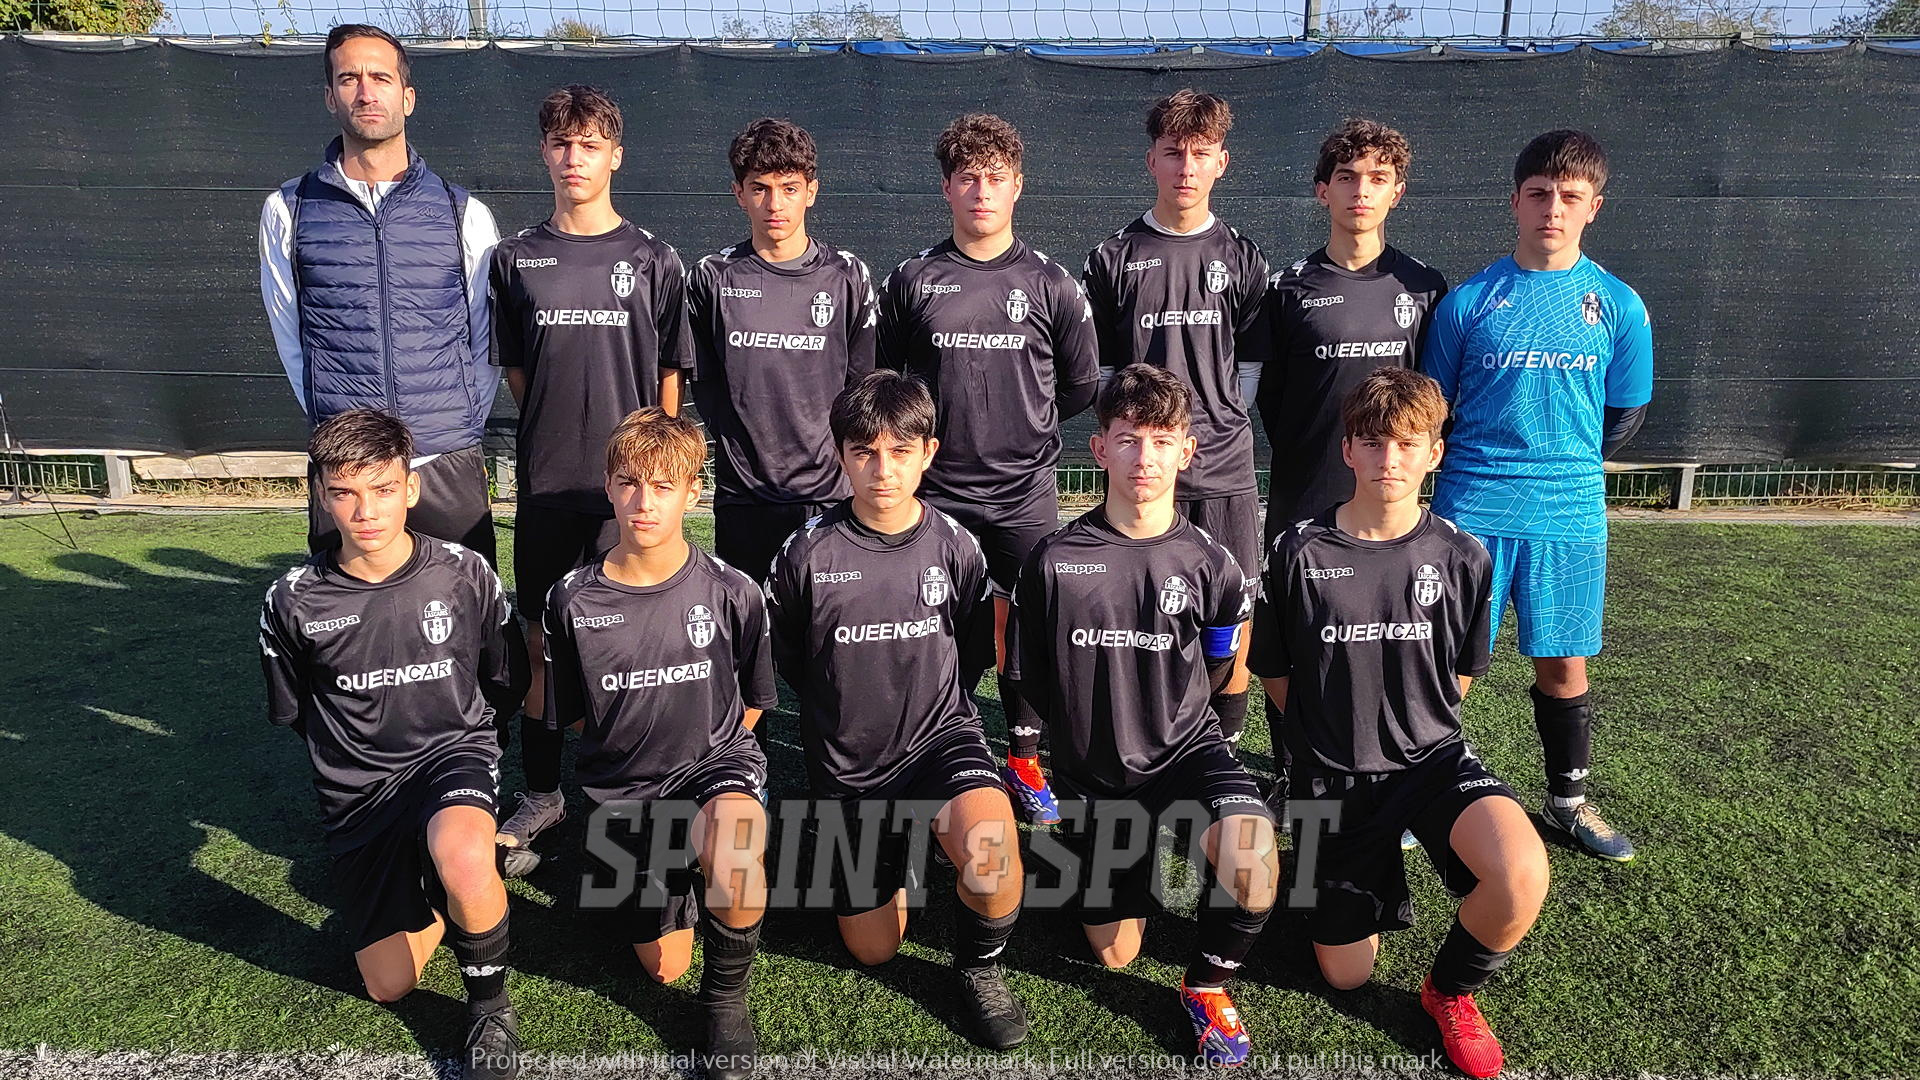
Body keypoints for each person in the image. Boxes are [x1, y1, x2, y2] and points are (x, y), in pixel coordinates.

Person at [1251, 368, 1550, 1079]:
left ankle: (1449, 993)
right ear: (1347, 450)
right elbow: (1277, 674)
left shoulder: (1463, 556)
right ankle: (1332, 863)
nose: (1390, 459)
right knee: (1345, 974)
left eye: (1408, 443)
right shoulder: (1296, 551)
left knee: (1520, 875)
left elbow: (1460, 675)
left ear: (1434, 453)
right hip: (1331, 779)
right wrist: (1335, 739)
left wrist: (1407, 729)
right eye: (1373, 441)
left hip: (1432, 765)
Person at [1007, 365, 1278, 1066]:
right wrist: (1034, 755)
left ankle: (1206, 986)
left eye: (1161, 441)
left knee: (1253, 861)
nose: (1144, 458)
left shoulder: (1211, 563)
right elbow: (1026, 672)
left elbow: (1223, 662)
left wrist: (1213, 737)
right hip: (1095, 773)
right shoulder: (1054, 559)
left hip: (1186, 754)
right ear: (1099, 449)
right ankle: (1089, 854)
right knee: (1114, 953)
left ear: (1188, 450)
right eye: (1128, 439)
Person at [258, 408, 528, 1080]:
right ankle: (449, 876)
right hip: (359, 790)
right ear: (322, 495)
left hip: (451, 757)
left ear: (410, 488)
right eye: (345, 493)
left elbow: (504, 680)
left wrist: (468, 751)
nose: (366, 511)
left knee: (462, 853)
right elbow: (296, 712)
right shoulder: (292, 600)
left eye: (382, 489)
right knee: (389, 984)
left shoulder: (464, 573)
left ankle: (491, 1010)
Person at [764, 371, 1029, 1049]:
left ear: (928, 453)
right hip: (849, 767)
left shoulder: (956, 546)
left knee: (994, 861)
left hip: (940, 742)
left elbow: (973, 654)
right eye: (864, 452)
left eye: (900, 452)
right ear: (841, 455)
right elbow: (789, 660)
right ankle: (901, 838)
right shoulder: (805, 553)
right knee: (874, 949)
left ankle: (979, 968)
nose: (882, 470)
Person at [1421, 130, 1654, 862]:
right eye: (1539, 194)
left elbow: (1624, 414)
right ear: (1515, 201)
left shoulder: (1617, 305)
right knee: (1449, 665)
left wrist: (1561, 462)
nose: (1553, 208)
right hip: (1473, 507)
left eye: (1570, 196)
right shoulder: (1469, 302)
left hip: (1569, 512)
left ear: (1594, 207)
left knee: (1564, 664)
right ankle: (1414, 796)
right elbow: (1433, 407)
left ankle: (1567, 803)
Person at [487, 84, 693, 870]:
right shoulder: (514, 259)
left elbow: (669, 375)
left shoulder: (653, 259)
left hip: (630, 496)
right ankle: (544, 793)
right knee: (542, 642)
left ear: (616, 156)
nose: (575, 158)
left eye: (591, 144)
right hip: (548, 487)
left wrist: (656, 470)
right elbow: (517, 371)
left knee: (637, 641)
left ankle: (643, 790)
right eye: (561, 143)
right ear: (544, 153)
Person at [876, 112, 1100, 825]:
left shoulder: (1051, 283)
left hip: (1023, 494)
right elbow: (887, 384)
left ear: (1017, 186)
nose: (981, 191)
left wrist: (1020, 427)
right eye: (967, 177)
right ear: (946, 186)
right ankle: (934, 753)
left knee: (1031, 632)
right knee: (932, 629)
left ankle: (1026, 760)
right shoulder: (912, 279)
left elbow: (1078, 387)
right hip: (935, 495)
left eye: (995, 177)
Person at [541, 408, 773, 1080]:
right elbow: (576, 717)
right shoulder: (570, 600)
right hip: (627, 795)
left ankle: (725, 1003)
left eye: (664, 485)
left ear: (692, 492)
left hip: (714, 769)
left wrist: (709, 769)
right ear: (608, 487)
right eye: (629, 483)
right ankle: (673, 866)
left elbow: (755, 702)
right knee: (662, 966)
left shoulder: (733, 590)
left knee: (734, 846)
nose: (644, 502)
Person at [260, 23, 501, 564]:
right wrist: (335, 426)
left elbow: (485, 337)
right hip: (346, 463)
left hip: (445, 456)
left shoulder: (463, 212)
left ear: (407, 97)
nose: (367, 92)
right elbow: (290, 335)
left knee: (467, 605)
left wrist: (458, 424)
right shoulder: (287, 210)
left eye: (381, 78)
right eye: (350, 78)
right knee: (348, 612)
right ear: (330, 97)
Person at [1081, 89, 1270, 753]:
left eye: (1200, 153)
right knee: (1139, 604)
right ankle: (1142, 733)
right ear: (1151, 162)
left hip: (1221, 465)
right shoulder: (1113, 256)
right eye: (1173, 153)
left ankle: (1224, 742)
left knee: (1230, 610)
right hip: (1142, 468)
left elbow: (1250, 364)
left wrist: (1216, 422)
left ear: (1222, 161)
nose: (1186, 167)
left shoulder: (1243, 257)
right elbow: (1104, 371)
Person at [690, 117, 878, 586]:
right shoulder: (712, 277)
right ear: (738, 193)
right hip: (743, 494)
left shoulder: (847, 276)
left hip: (828, 493)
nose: (775, 204)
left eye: (789, 188)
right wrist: (735, 444)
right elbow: (705, 382)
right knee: (751, 621)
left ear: (811, 191)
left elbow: (863, 387)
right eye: (760, 189)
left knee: (827, 621)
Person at [1260, 117, 1448, 535]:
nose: (1361, 191)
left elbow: (1434, 392)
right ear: (1322, 191)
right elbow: (1271, 400)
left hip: (1392, 502)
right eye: (1347, 177)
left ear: (1396, 193)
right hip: (1306, 497)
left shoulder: (1424, 286)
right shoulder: (1285, 288)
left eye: (1378, 178)